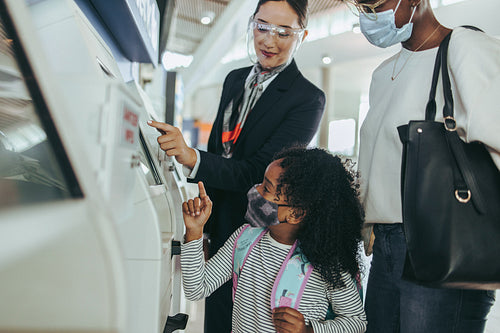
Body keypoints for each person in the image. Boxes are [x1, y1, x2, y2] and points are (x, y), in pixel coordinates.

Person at [148, 1, 325, 331]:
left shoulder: (307, 99)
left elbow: (258, 171)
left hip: (261, 236)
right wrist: (204, 224)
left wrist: (192, 157)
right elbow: (221, 150)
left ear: (302, 35)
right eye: (262, 27)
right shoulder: (235, 80)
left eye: (284, 32)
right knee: (215, 319)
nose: (269, 41)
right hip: (221, 228)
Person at [346, 0, 500, 332]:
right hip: (386, 244)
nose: (369, 15)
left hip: (441, 240)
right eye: (361, 6)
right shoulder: (382, 72)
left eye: (376, 4)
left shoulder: (463, 47)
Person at [180, 147, 367, 333]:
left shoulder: (328, 262)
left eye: (266, 188)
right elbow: (196, 288)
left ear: (295, 213)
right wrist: (194, 231)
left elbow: (356, 322)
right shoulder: (243, 239)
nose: (256, 190)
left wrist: (308, 330)